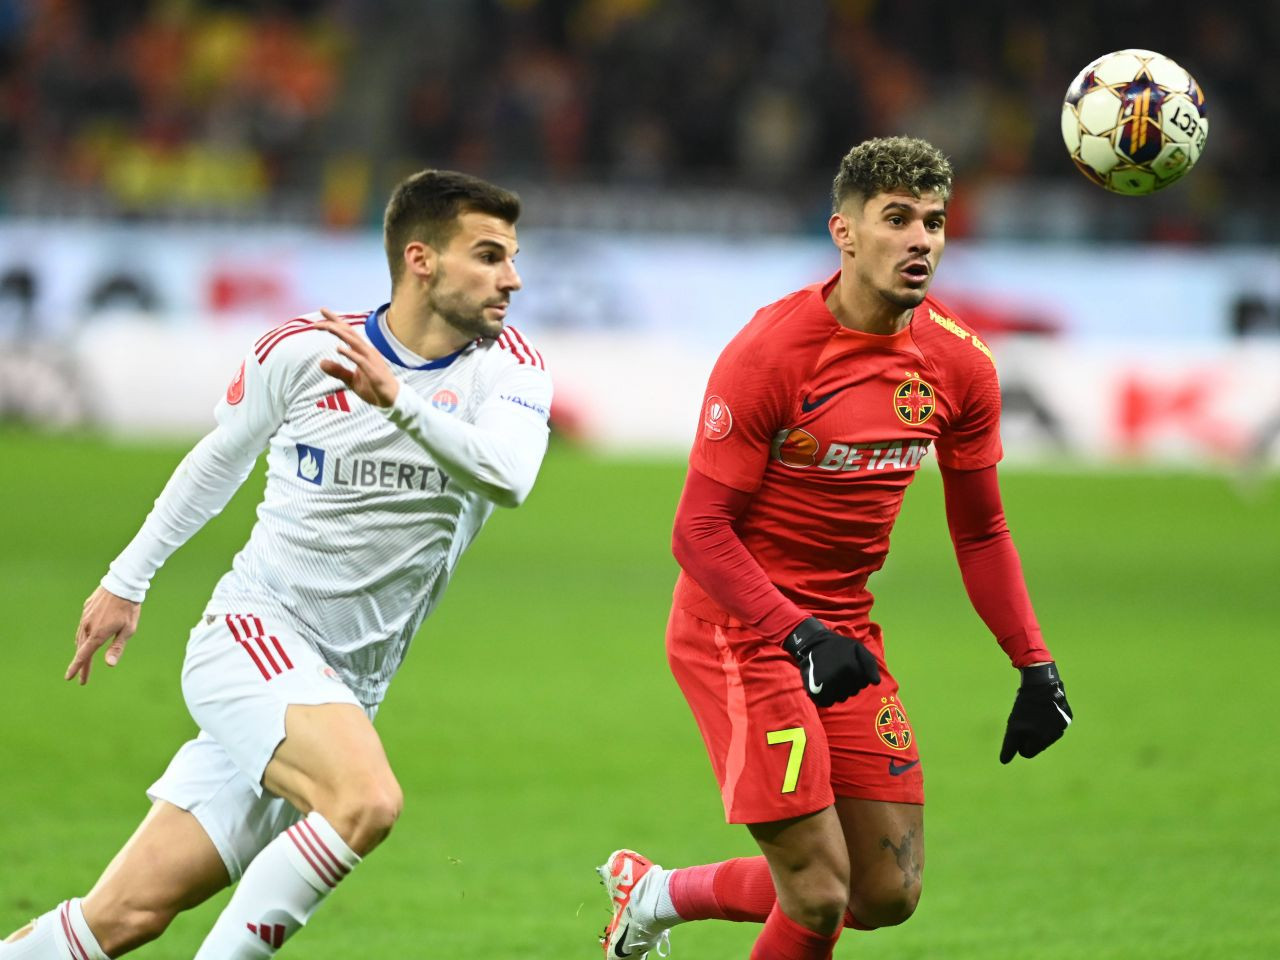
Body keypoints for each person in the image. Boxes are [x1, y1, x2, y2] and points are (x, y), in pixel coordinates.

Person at [1, 169, 553, 959]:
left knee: (122, 916)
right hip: (254, 638)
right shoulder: (303, 351)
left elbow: (510, 476)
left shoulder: (510, 370)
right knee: (365, 801)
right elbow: (218, 460)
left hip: (343, 691)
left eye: (513, 258)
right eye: (490, 256)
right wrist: (127, 579)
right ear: (422, 260)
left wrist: (398, 402)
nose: (513, 279)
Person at [598, 137, 1073, 960]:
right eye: (897, 219)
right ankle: (665, 898)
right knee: (818, 894)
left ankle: (654, 895)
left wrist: (1033, 663)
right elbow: (697, 532)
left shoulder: (960, 366)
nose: (920, 240)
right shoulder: (772, 352)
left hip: (842, 636)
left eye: (933, 222)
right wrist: (796, 632)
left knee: (884, 892)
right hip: (740, 632)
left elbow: (981, 530)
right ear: (844, 232)